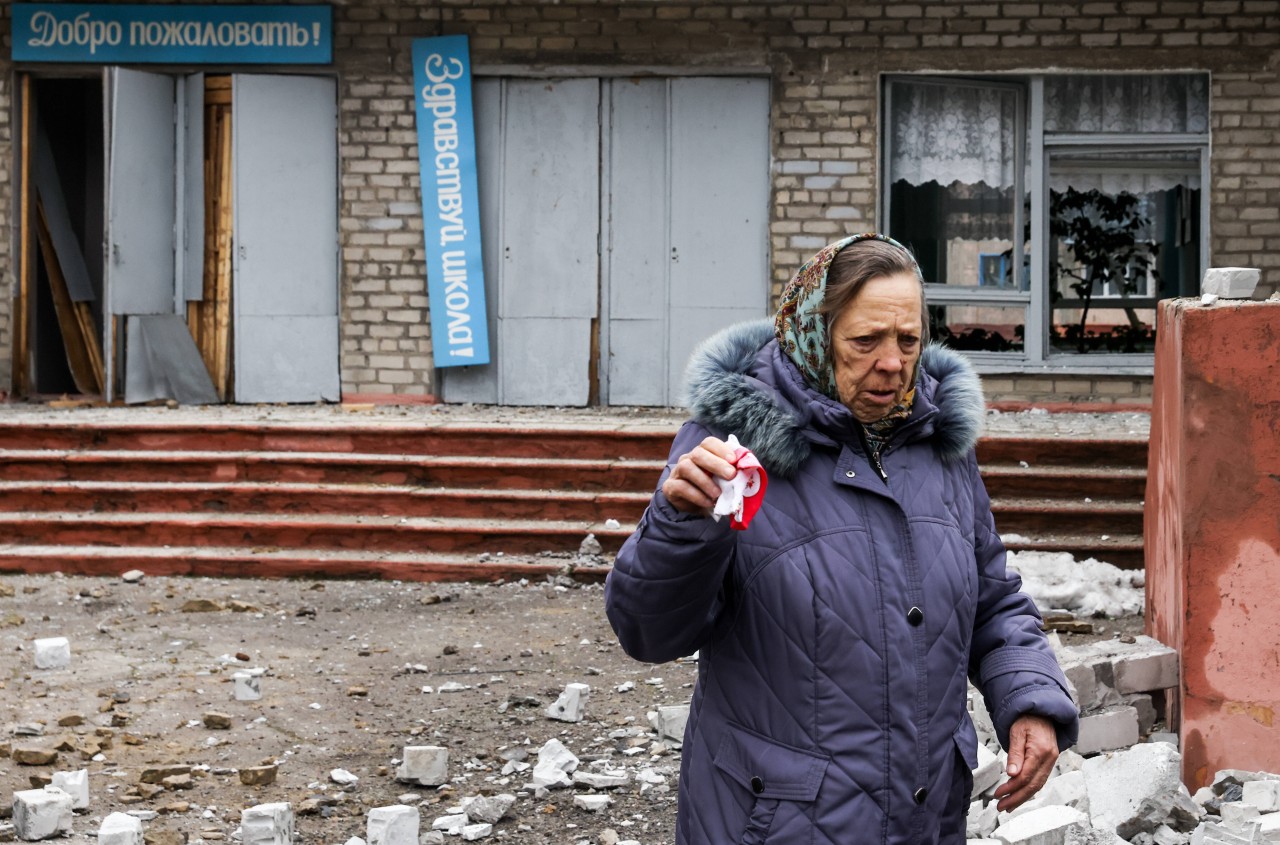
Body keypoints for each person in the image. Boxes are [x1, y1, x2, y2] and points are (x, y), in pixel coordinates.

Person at [605, 234, 1079, 844]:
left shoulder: (939, 448)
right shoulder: (730, 448)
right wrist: (681, 526)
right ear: (811, 334)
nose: (892, 363)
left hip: (926, 817)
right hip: (779, 823)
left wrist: (1030, 695)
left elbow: (993, 599)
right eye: (865, 341)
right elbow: (648, 632)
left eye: (908, 340)